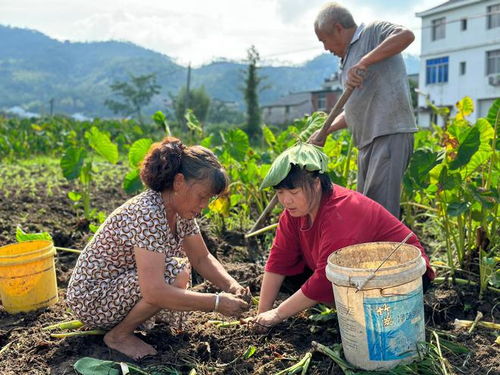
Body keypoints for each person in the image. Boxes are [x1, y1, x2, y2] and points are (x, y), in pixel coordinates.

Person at [67, 137, 250, 360]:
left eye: (209, 199)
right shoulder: (148, 213)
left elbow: (202, 258)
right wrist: (216, 303)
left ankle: (137, 327)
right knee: (173, 272)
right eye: (202, 196)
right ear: (179, 182)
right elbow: (153, 291)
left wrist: (232, 286)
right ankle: (119, 336)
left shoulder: (180, 211)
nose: (204, 206)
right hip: (94, 299)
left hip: (119, 289)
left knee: (177, 270)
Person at [251, 143, 435, 329]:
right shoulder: (294, 213)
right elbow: (279, 260)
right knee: (288, 276)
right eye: (280, 192)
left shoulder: (341, 211)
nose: (286, 200)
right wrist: (261, 315)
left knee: (339, 295)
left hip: (401, 279)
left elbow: (325, 277)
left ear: (316, 184)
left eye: (294, 192)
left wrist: (277, 314)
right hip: (355, 277)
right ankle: (344, 309)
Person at [310, 2, 417, 218]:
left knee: (381, 211)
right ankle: (379, 252)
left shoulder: (372, 32)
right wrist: (325, 130)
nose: (325, 48)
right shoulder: (346, 61)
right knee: (368, 208)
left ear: (338, 28)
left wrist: (365, 61)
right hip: (367, 142)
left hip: (388, 132)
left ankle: (393, 252)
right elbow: (352, 111)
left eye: (324, 40)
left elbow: (406, 35)